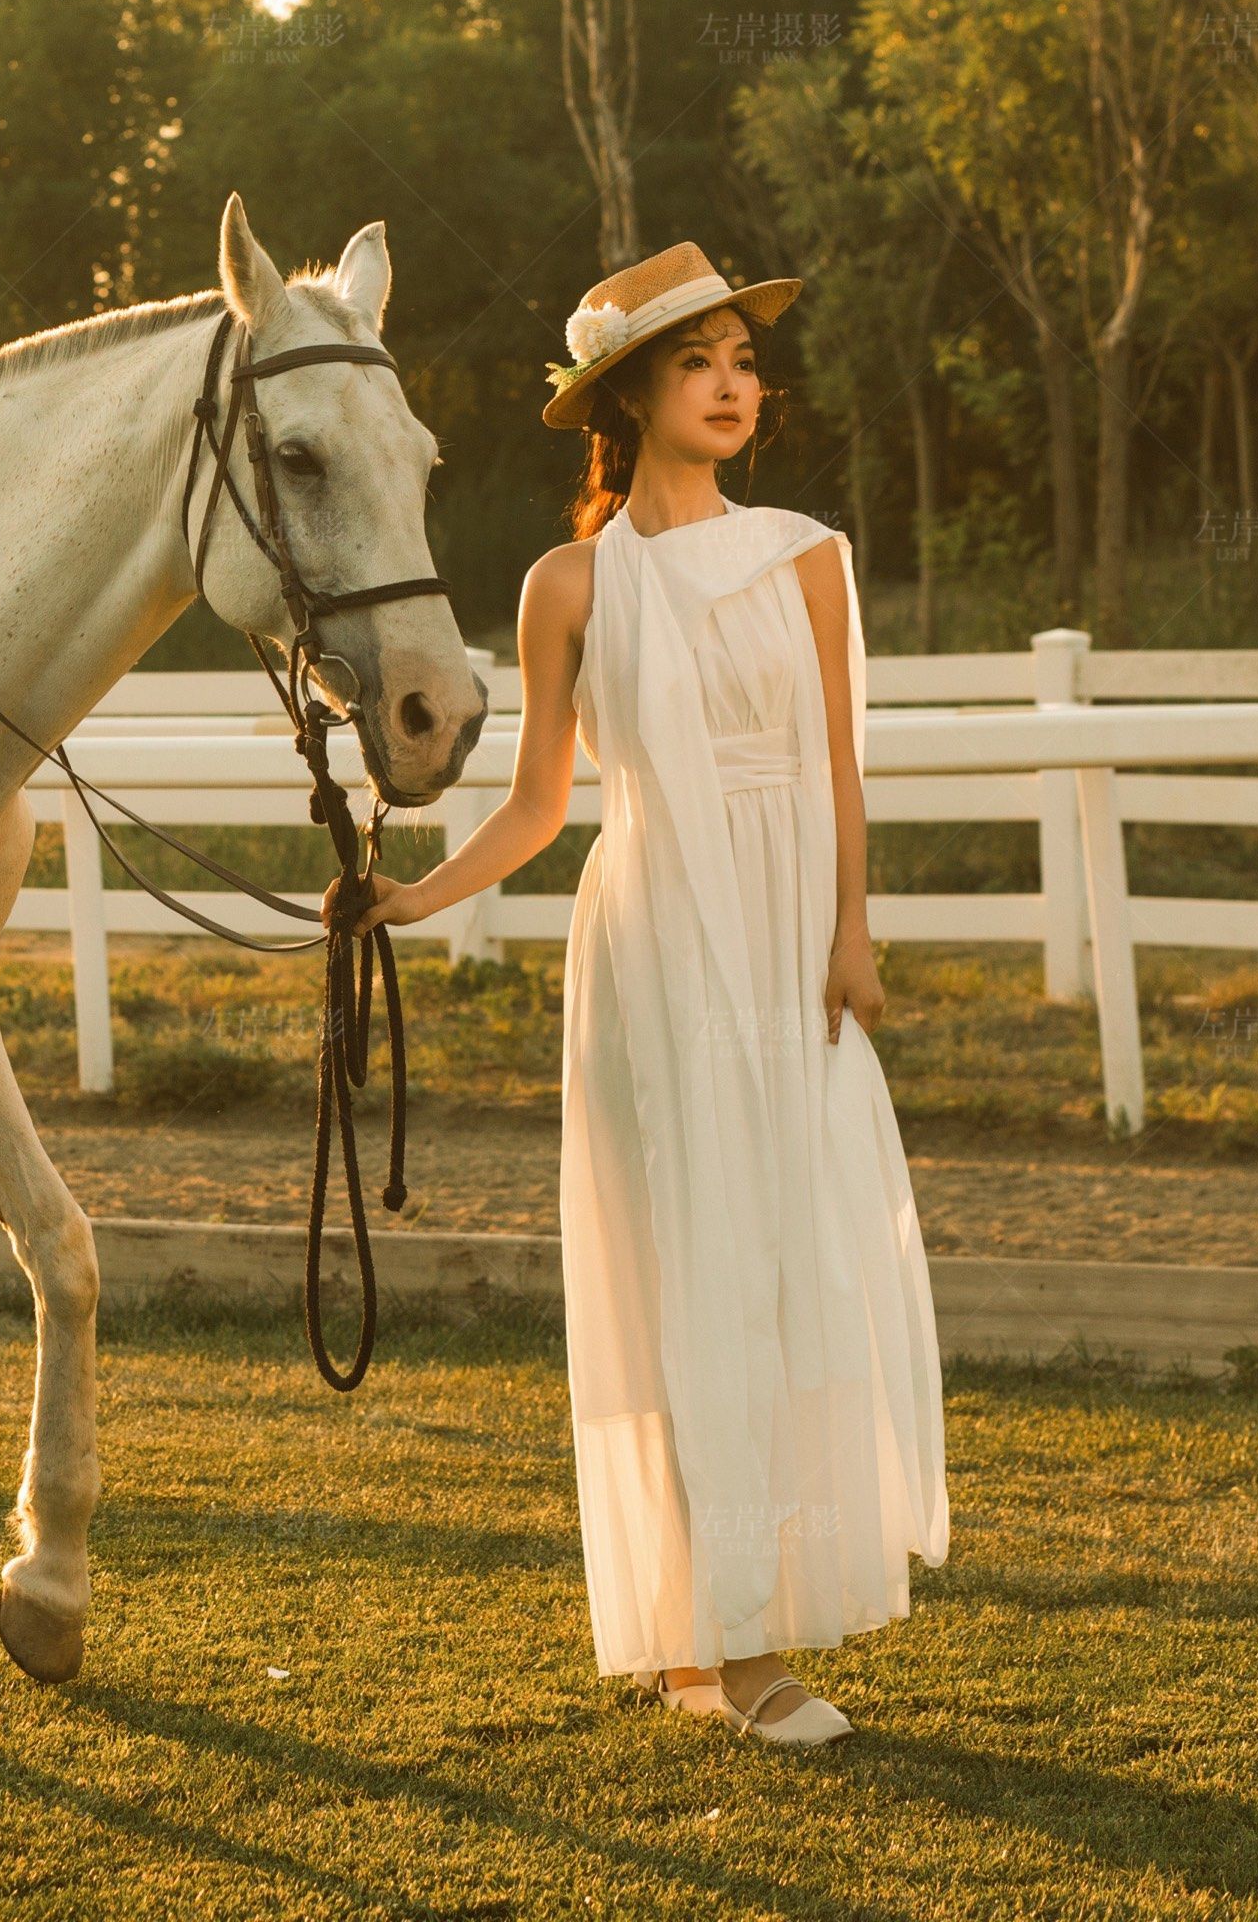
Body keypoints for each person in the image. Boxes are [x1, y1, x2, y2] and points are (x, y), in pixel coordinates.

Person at [333, 243, 949, 1747]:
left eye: (745, 358)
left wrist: (851, 931)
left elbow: (839, 763)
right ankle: (719, 1647)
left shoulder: (808, 553)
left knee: (787, 1255)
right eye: (699, 361)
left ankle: (743, 1622)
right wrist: (413, 893)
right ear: (630, 394)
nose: (735, 383)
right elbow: (547, 800)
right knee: (685, 1259)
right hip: (659, 935)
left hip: (786, 921)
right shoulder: (572, 585)